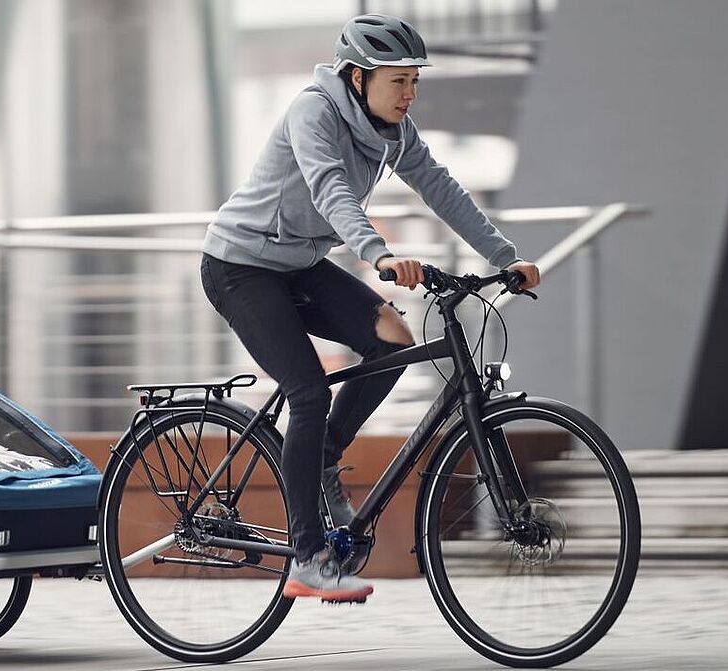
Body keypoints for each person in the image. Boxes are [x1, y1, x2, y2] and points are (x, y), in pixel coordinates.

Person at [198, 13, 540, 603]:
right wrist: (377, 253)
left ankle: (324, 459)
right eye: (397, 81)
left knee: (392, 338)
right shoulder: (315, 112)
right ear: (357, 78)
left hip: (299, 264)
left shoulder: (394, 131)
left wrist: (506, 255)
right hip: (241, 266)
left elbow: (440, 186)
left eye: (414, 81)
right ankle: (308, 559)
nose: (409, 94)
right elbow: (329, 186)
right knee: (308, 391)